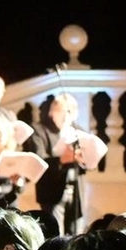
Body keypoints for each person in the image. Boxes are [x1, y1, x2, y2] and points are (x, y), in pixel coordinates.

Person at [25, 93, 87, 236]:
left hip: (76, 191)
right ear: (52, 112)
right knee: (55, 237)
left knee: (76, 236)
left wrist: (85, 158)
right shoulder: (39, 131)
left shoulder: (78, 130)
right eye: (61, 111)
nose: (65, 117)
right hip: (52, 193)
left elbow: (89, 161)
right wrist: (60, 160)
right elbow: (38, 161)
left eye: (70, 112)